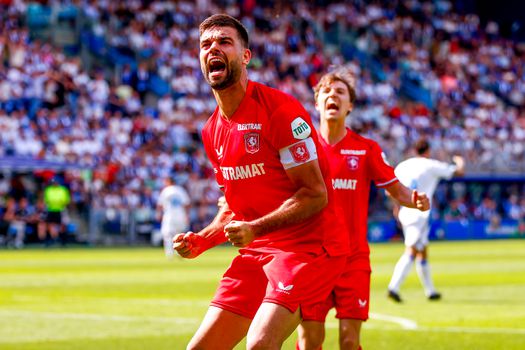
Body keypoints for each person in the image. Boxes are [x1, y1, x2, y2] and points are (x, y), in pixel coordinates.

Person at [173, 14, 348, 350]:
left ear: (245, 56)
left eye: (224, 42)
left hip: (310, 248)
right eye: (206, 45)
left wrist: (254, 228)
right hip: (259, 250)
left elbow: (315, 194)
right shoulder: (212, 131)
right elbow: (233, 207)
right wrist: (202, 241)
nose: (214, 49)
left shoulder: (279, 110)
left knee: (260, 343)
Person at [296, 68, 430, 350]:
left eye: (340, 92)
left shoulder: (365, 148)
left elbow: (396, 189)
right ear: (317, 102)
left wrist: (414, 198)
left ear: (350, 106)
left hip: (352, 260)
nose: (333, 95)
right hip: (312, 260)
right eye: (327, 91)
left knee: (349, 341)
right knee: (309, 342)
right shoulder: (301, 149)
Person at [387, 138, 465, 302]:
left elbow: (391, 189)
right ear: (428, 151)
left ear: (415, 151)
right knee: (412, 250)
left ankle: (430, 291)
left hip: (404, 210)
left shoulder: (403, 165)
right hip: (419, 212)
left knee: (423, 251)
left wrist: (396, 206)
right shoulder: (431, 165)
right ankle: (393, 287)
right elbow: (459, 172)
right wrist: (460, 160)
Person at [156, 177, 190, 258]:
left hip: (169, 215)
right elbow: (187, 204)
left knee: (167, 234)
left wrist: (158, 214)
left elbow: (160, 205)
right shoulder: (180, 190)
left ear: (168, 181)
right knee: (179, 235)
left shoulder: (166, 190)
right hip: (180, 215)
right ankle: (180, 252)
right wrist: (187, 216)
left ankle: (169, 253)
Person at [43, 178, 70, 245]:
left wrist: (58, 203)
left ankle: (63, 240)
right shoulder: (49, 189)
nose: (55, 183)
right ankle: (49, 239)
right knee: (49, 224)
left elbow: (66, 200)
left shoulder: (63, 189)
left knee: (62, 225)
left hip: (60, 209)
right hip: (51, 209)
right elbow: (47, 200)